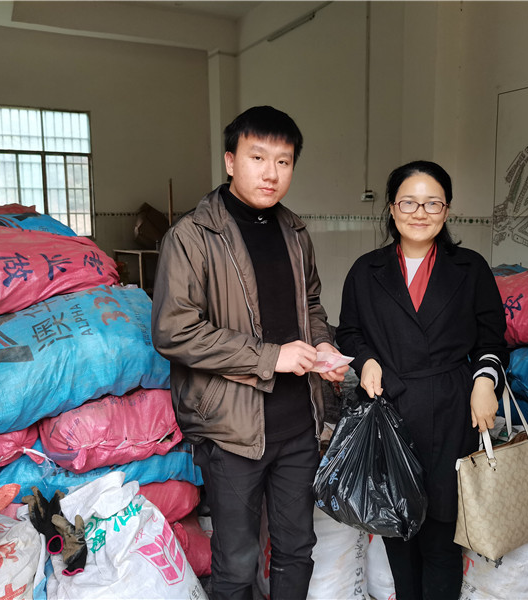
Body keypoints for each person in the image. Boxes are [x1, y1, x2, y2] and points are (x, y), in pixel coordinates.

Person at [151, 105, 348, 599]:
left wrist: (322, 342)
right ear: (230, 161)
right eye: (257, 157)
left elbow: (311, 304)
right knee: (237, 563)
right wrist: (270, 357)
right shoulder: (192, 237)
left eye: (283, 161)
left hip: (298, 423)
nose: (271, 173)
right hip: (231, 429)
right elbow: (174, 331)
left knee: (296, 549)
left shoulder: (295, 232)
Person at [335, 160, 508, 599]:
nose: (420, 212)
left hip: (451, 410)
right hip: (388, 411)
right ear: (392, 208)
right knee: (397, 529)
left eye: (433, 203)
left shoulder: (469, 268)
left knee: (442, 538)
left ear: (446, 210)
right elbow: (349, 331)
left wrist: (484, 382)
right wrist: (366, 361)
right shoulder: (366, 270)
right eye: (409, 202)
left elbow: (492, 337)